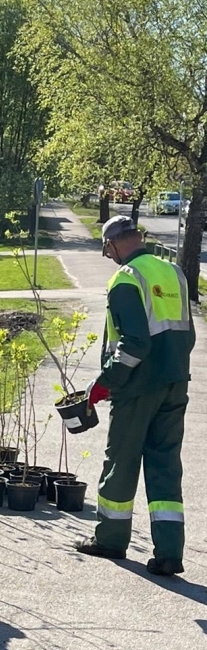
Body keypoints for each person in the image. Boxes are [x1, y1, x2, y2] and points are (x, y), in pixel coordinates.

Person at [75, 215, 195, 575]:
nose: (109, 256)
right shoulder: (173, 273)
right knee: (165, 465)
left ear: (113, 245)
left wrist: (105, 382)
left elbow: (135, 344)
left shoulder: (125, 280)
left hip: (138, 388)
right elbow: (186, 334)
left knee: (121, 462)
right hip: (175, 383)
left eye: (107, 249)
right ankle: (170, 553)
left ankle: (111, 540)